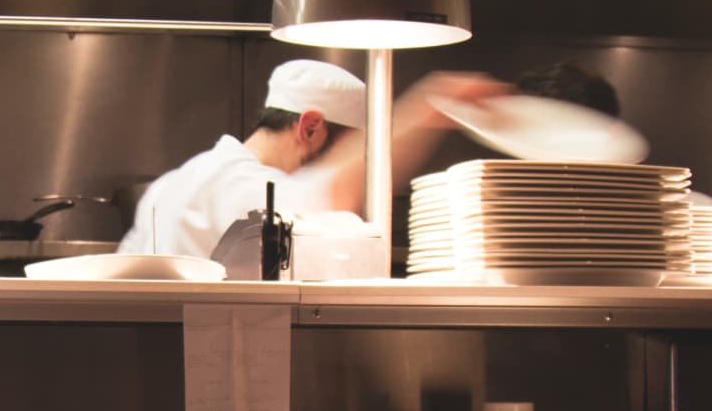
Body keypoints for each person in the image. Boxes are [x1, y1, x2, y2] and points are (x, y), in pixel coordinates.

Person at [117, 57, 497, 260]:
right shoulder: (238, 185)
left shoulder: (171, 184)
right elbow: (327, 195)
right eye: (353, 150)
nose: (358, 166)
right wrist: (431, 105)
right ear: (310, 128)